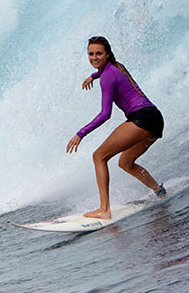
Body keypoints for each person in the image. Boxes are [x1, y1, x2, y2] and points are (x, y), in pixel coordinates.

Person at [66, 36, 166, 219]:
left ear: (107, 54)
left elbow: (105, 114)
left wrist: (80, 134)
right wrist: (93, 76)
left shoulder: (107, 77)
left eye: (99, 54)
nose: (94, 57)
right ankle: (160, 191)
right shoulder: (116, 67)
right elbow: (105, 73)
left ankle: (104, 210)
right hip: (155, 118)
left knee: (98, 156)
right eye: (91, 54)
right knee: (125, 163)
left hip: (141, 118)